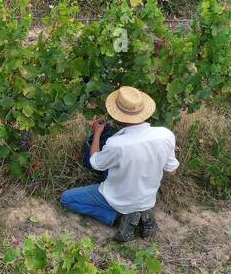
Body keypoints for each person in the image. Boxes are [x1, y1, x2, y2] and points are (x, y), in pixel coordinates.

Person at [59, 86, 178, 242]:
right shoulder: (165, 134)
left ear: (118, 115)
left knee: (67, 199)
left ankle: (118, 218)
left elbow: (95, 162)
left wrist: (97, 134)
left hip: (120, 199)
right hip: (148, 196)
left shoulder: (116, 144)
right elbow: (172, 170)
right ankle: (143, 213)